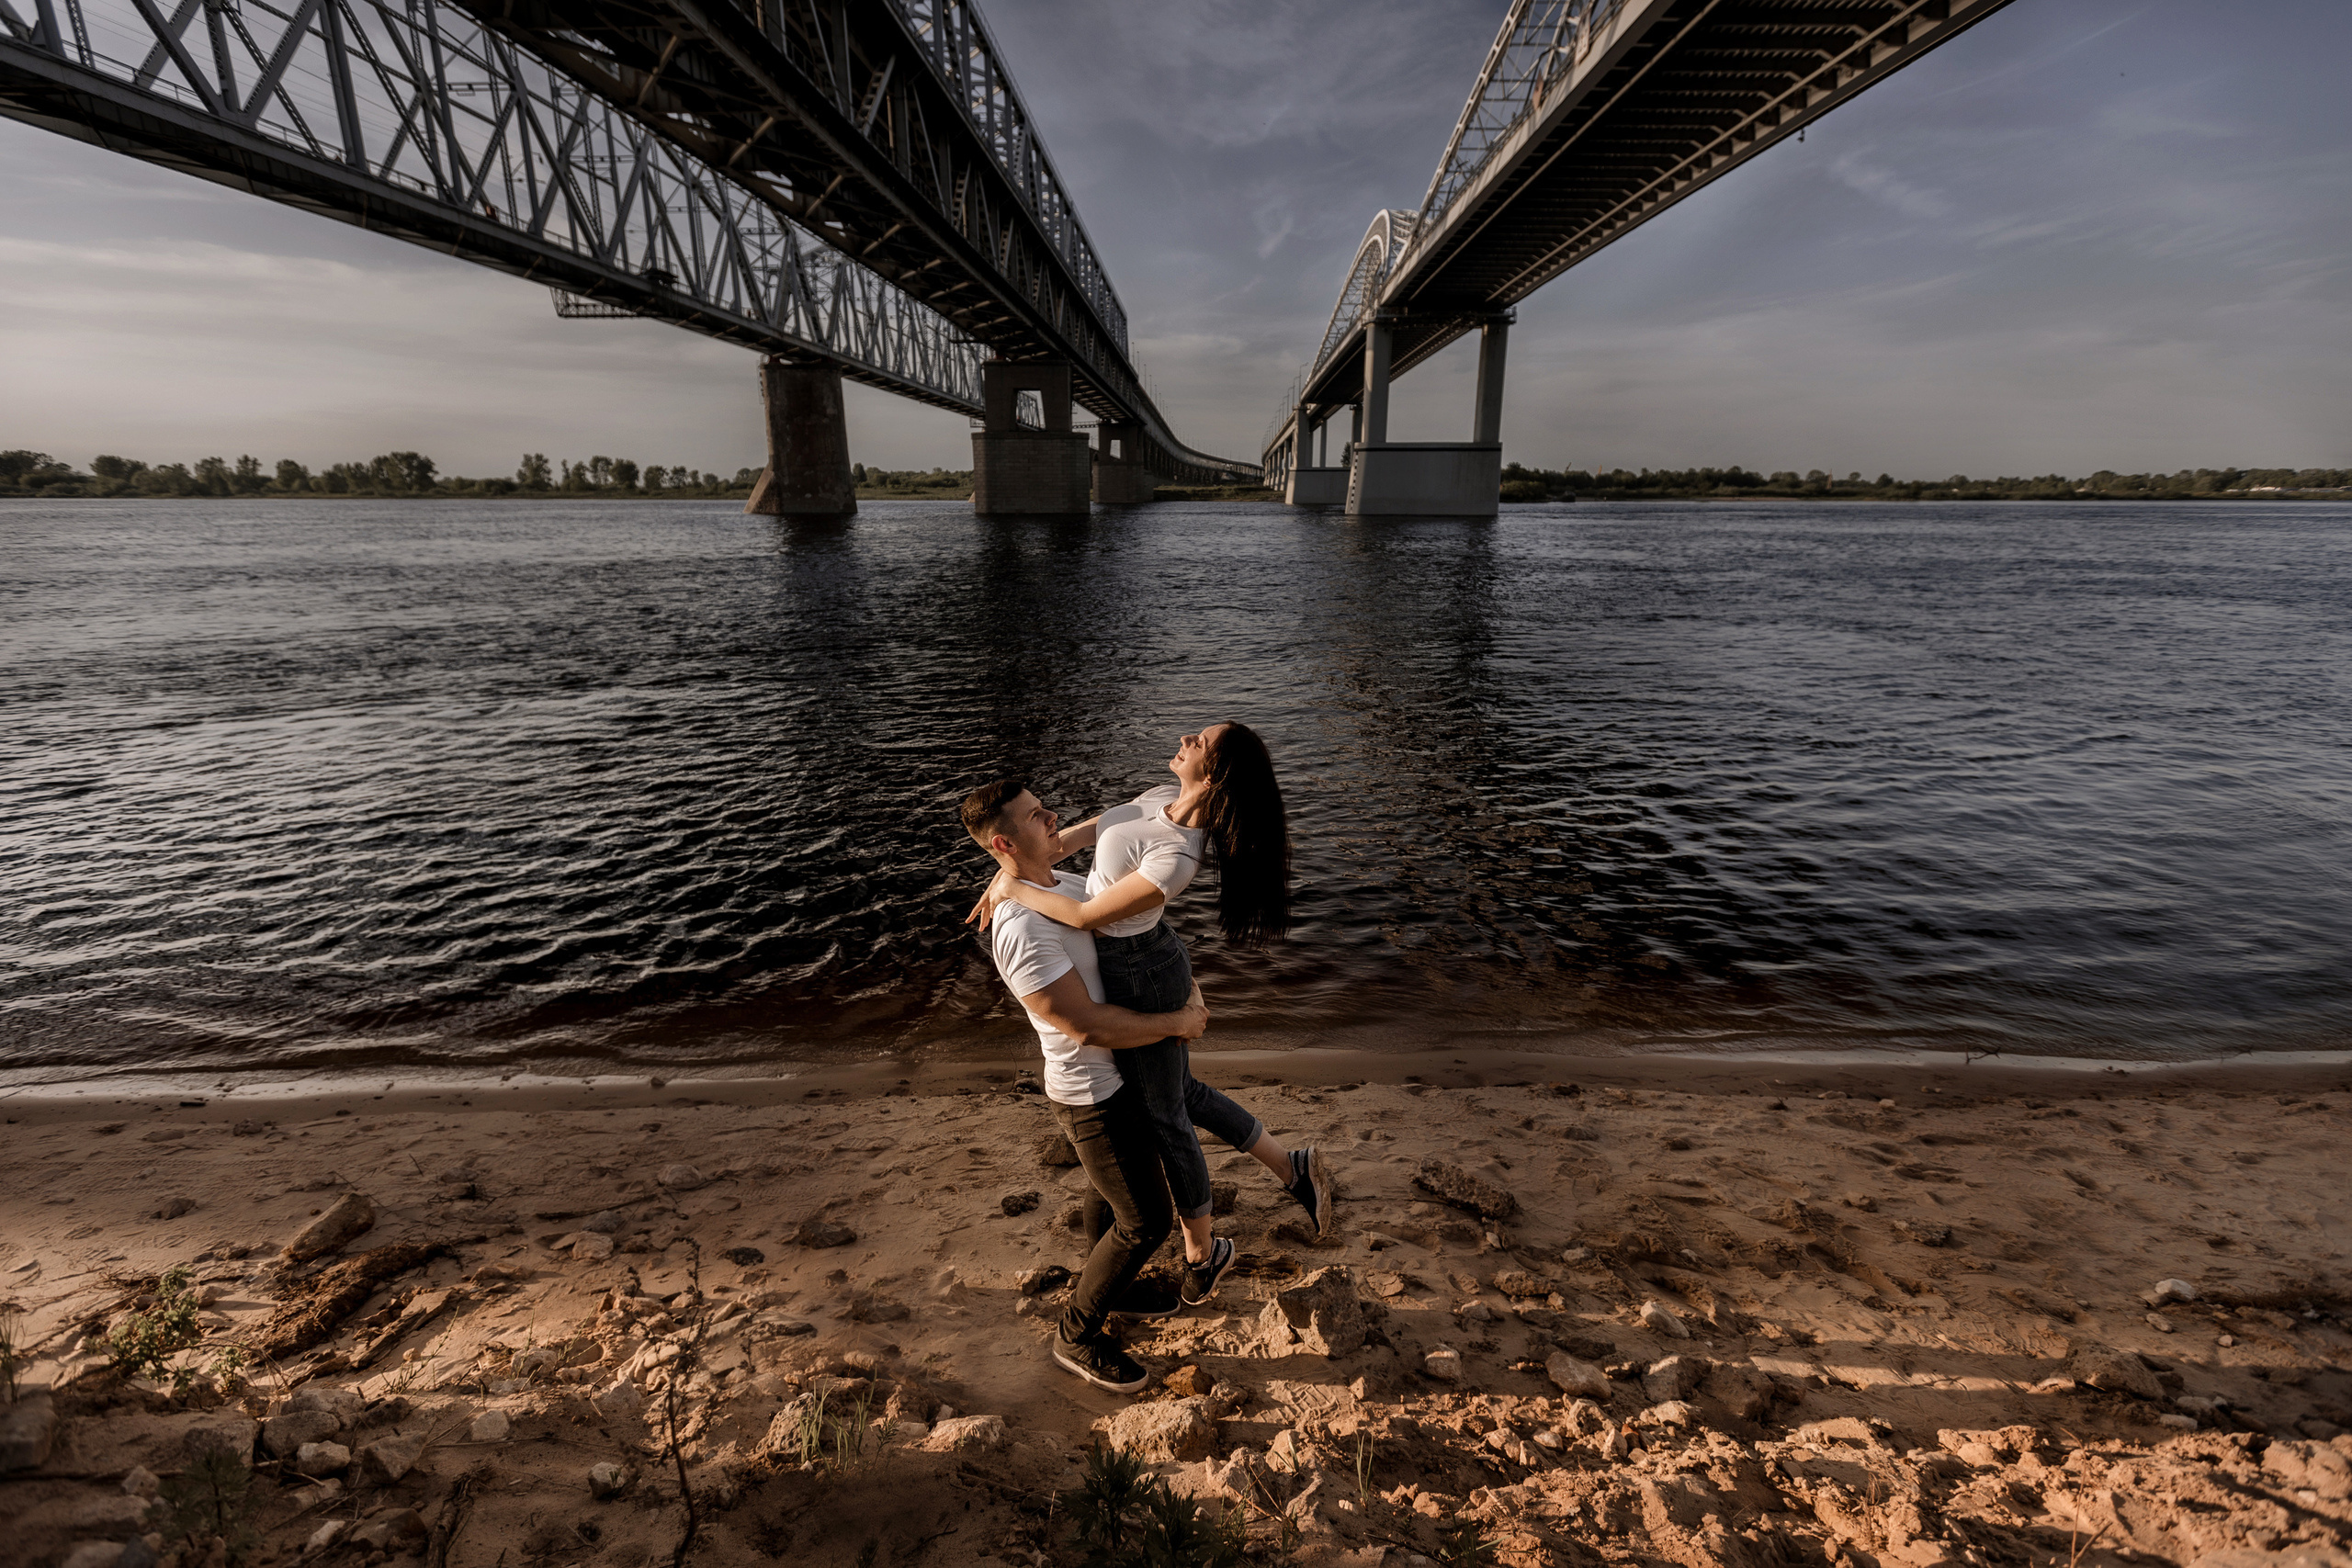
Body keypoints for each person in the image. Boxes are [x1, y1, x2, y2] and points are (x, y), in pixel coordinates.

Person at [971, 723, 1331, 1310]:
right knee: (1179, 1092)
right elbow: (1059, 845)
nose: (1187, 738)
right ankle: (1291, 1168)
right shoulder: (1155, 799)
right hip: (1137, 960)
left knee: (1167, 1114)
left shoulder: (1176, 858)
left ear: (1212, 776)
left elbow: (1085, 917)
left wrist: (1012, 891)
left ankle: (1202, 1253)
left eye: (1201, 742)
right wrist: (1002, 870)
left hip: (1140, 972)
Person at [960, 777, 1210, 1394]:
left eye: (1044, 807)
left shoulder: (1064, 886)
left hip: (1123, 1074)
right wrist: (1176, 1024)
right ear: (1003, 842)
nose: (1052, 817)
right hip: (1089, 1094)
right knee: (1146, 1220)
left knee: (1114, 1193)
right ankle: (1075, 1334)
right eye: (1034, 816)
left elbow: (1110, 837)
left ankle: (1113, 1289)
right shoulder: (1021, 928)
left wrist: (1004, 875)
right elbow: (1086, 1026)